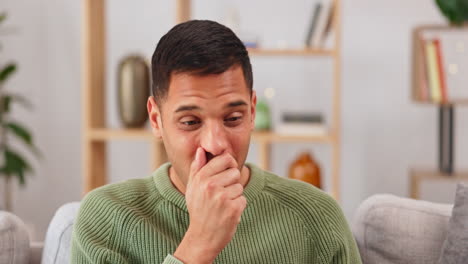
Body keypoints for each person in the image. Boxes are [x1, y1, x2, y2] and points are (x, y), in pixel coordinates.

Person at [71, 20, 362, 264]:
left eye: (233, 118)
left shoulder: (317, 218)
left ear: (251, 112)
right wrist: (199, 243)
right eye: (190, 122)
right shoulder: (106, 219)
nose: (215, 144)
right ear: (157, 120)